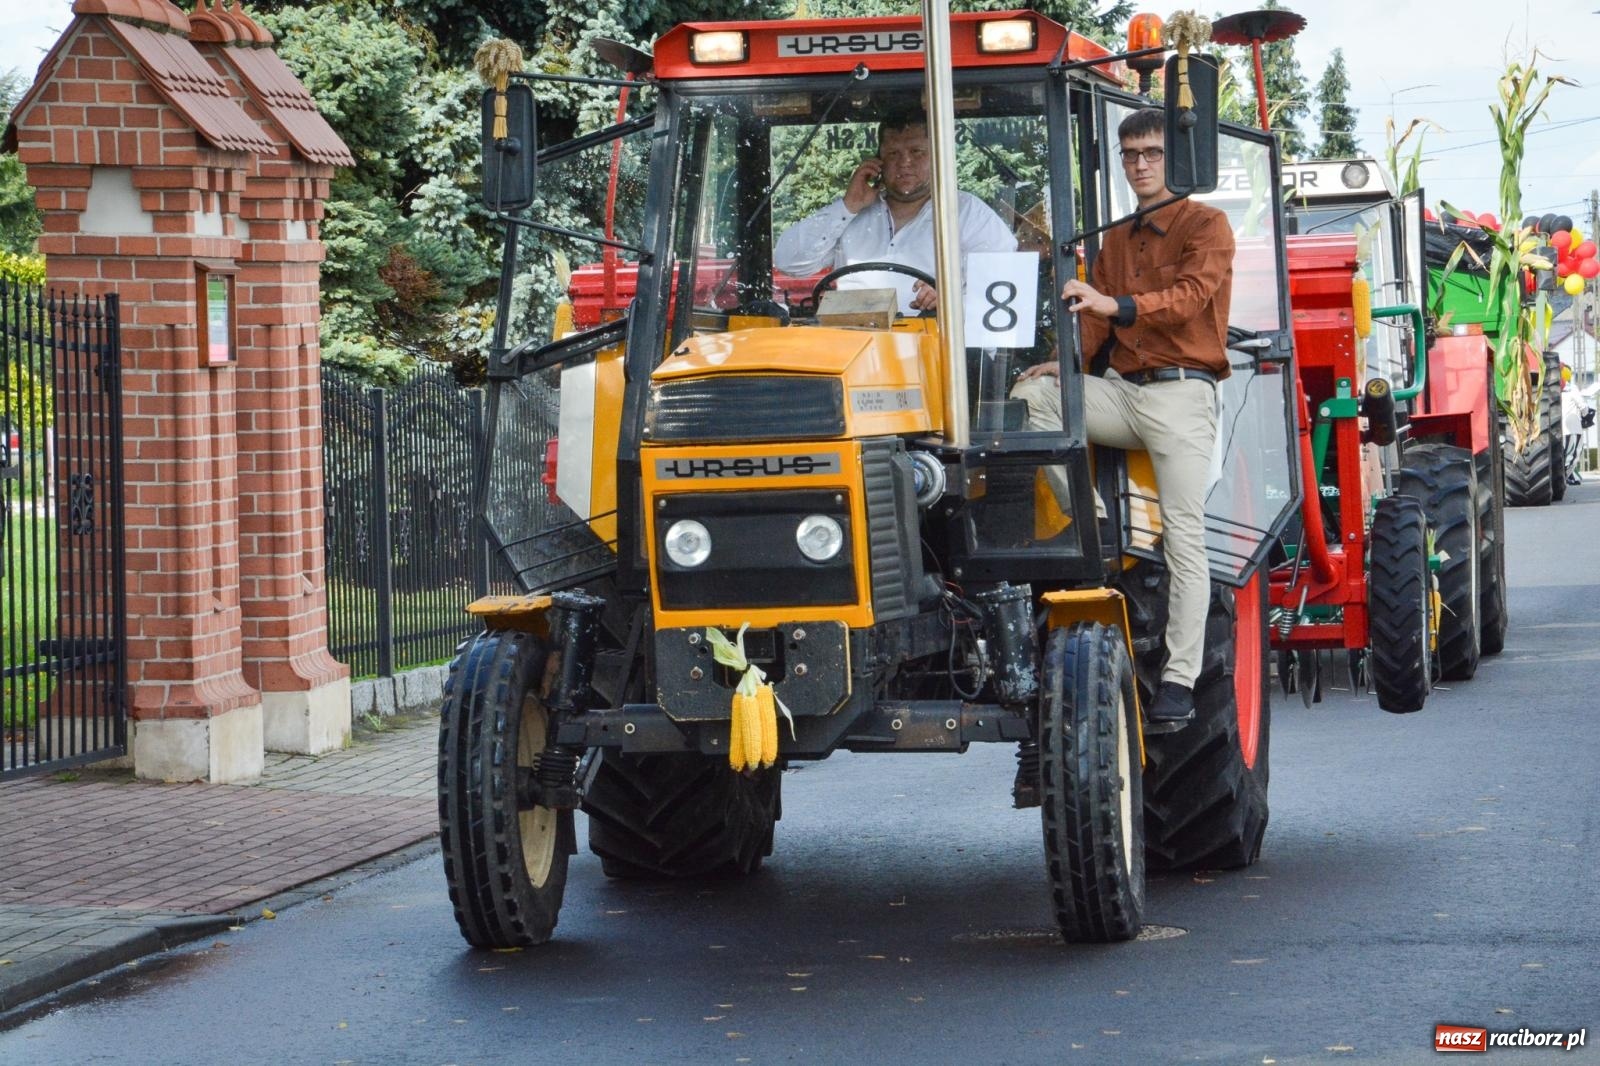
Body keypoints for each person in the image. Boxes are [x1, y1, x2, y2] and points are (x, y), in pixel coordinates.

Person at [1010, 107, 1235, 724]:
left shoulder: (1206, 224)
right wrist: (1066, 363)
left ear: (1176, 159)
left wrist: (1115, 303)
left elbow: (1190, 298)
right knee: (1032, 401)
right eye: (1130, 154)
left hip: (1182, 395)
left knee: (1185, 535)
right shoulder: (1116, 235)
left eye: (1153, 153)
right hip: (1122, 390)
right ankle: (1093, 514)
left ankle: (1180, 679)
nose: (1139, 165)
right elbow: (1090, 319)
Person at [773, 108, 1017, 312]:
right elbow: (788, 262)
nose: (905, 162)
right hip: (853, 351)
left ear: (938, 156)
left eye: (916, 152)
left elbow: (1003, 290)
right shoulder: (851, 215)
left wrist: (952, 298)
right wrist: (848, 206)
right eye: (893, 153)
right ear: (878, 161)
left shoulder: (968, 213)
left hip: (937, 357)